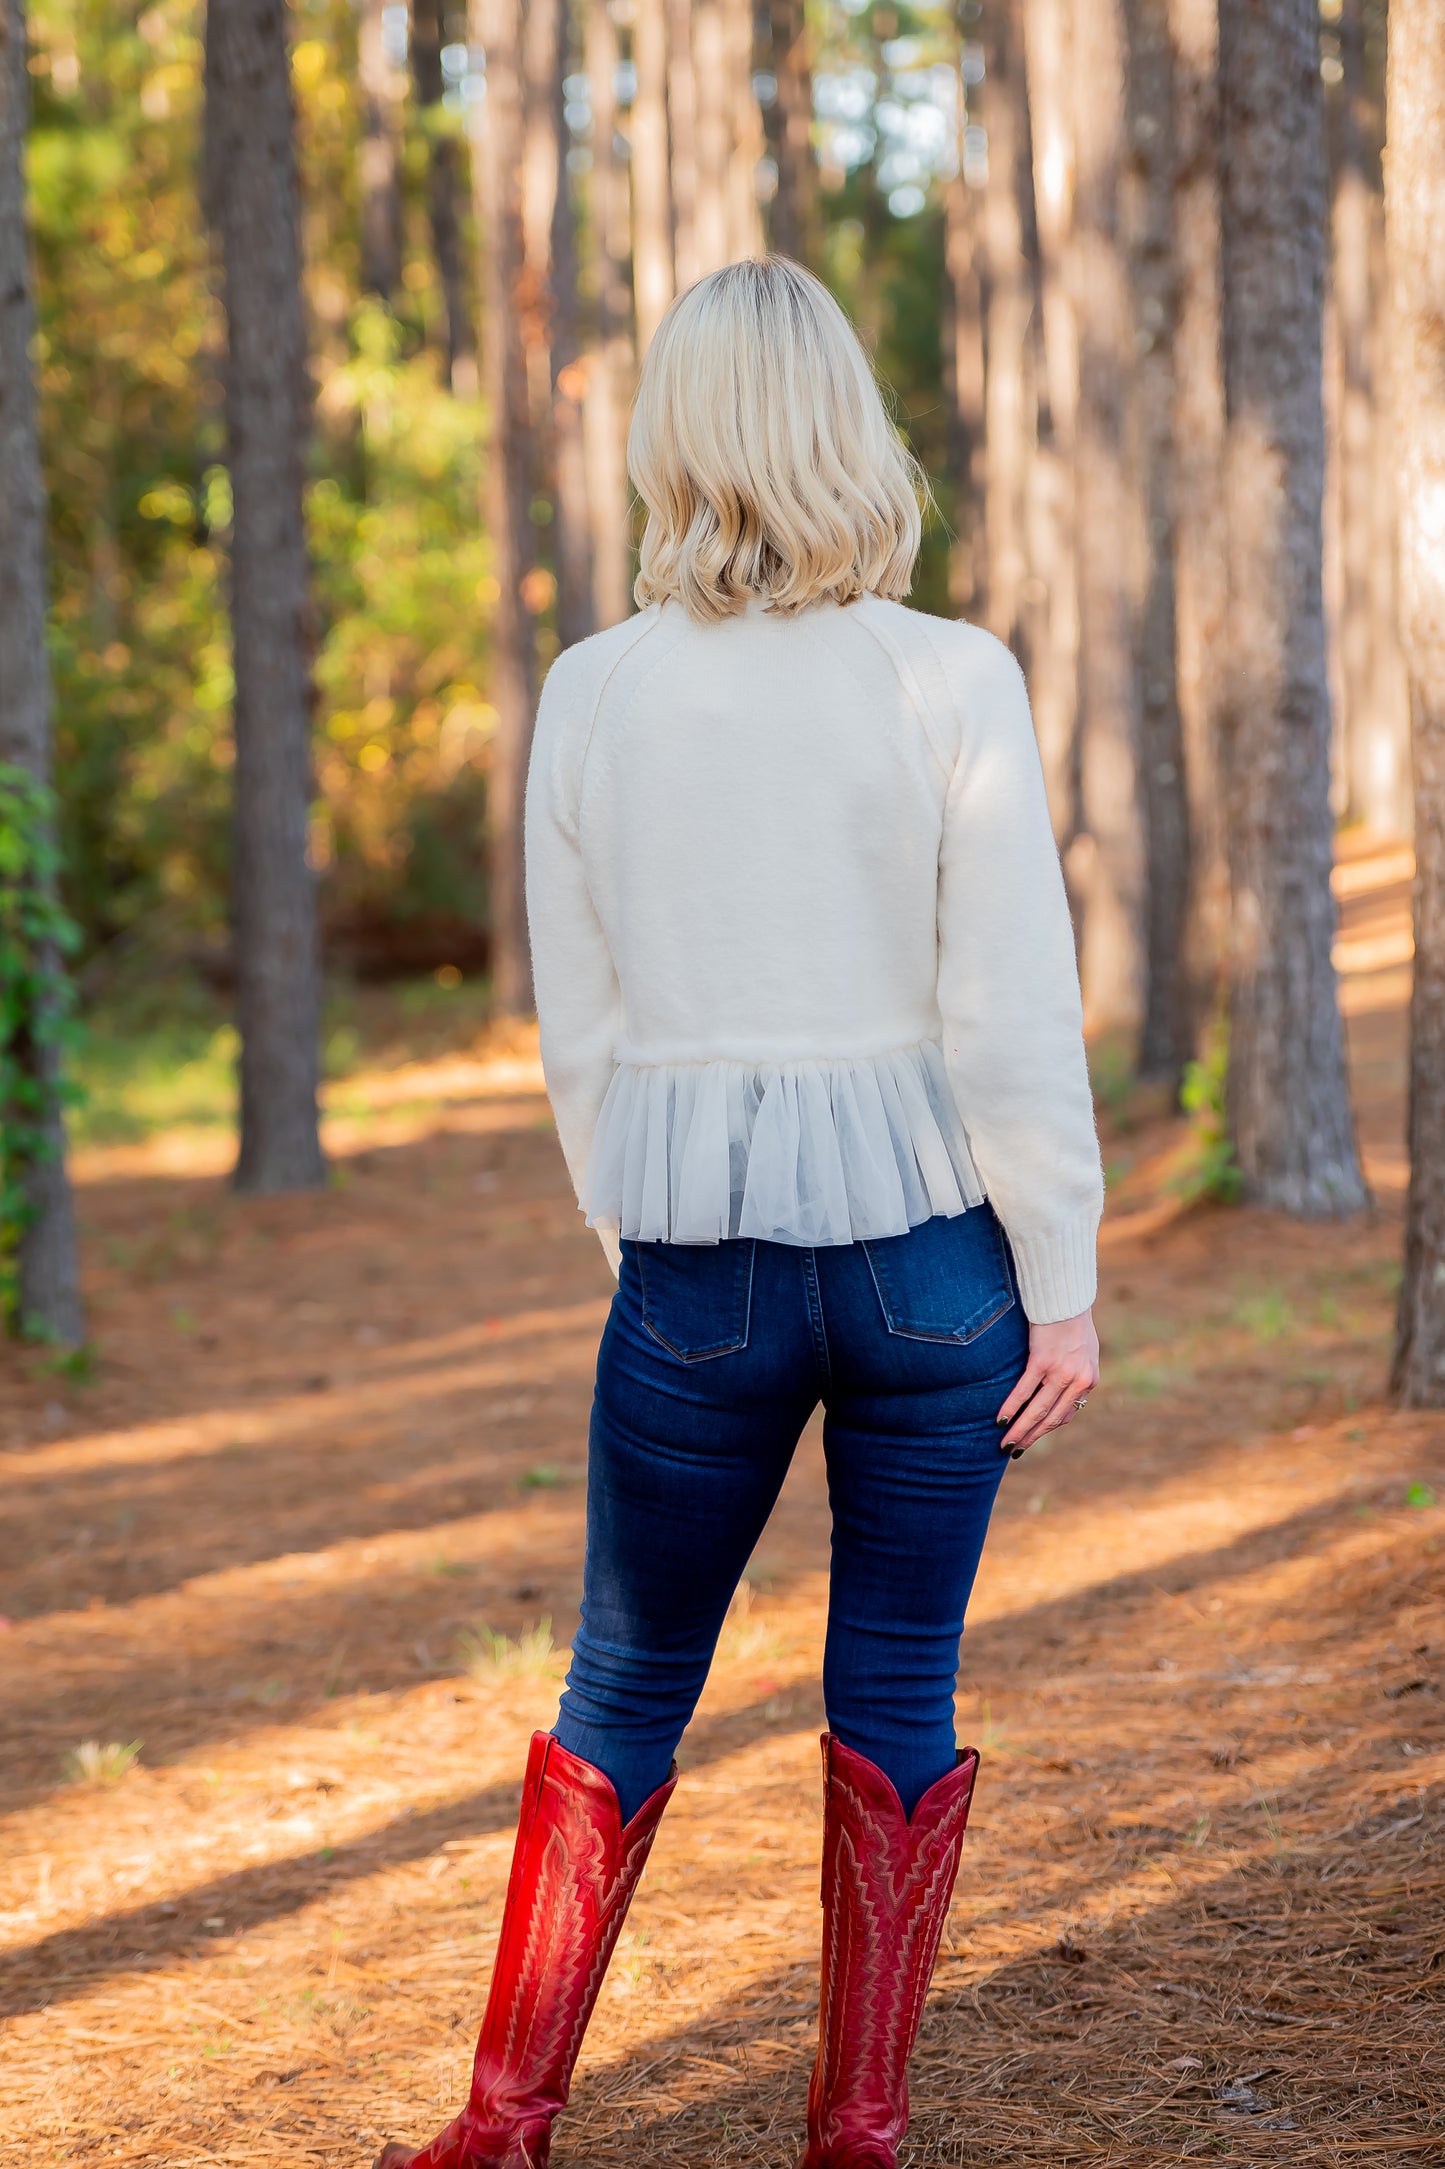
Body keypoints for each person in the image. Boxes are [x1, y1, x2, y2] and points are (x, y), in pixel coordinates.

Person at [374, 256, 1103, 2169]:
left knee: (623, 1681)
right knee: (899, 1680)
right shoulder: (948, 674)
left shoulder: (595, 690)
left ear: (673, 435)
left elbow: (582, 1026)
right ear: (846, 427)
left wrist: (637, 1239)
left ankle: (502, 2123)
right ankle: (856, 2128)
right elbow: (1008, 1008)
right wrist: (1062, 1277)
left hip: (694, 1271)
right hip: (935, 1270)